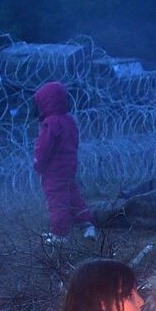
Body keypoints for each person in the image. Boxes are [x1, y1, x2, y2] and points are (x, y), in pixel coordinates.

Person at [33, 81, 96, 240]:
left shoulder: (51, 124)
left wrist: (38, 164)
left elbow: (44, 148)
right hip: (68, 167)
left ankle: (59, 234)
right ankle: (88, 226)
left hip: (53, 171)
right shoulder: (69, 121)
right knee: (73, 197)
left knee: (57, 201)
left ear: (47, 102)